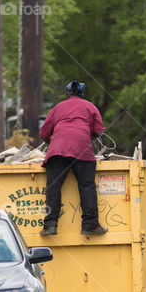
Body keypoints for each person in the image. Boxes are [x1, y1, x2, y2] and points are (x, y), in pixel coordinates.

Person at [38, 81, 108, 235]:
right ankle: (90, 225)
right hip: (82, 149)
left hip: (57, 150)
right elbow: (98, 131)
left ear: (67, 93)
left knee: (53, 187)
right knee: (86, 186)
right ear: (82, 94)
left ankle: (50, 225)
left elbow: (43, 133)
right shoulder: (90, 106)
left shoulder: (58, 107)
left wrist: (55, 143)